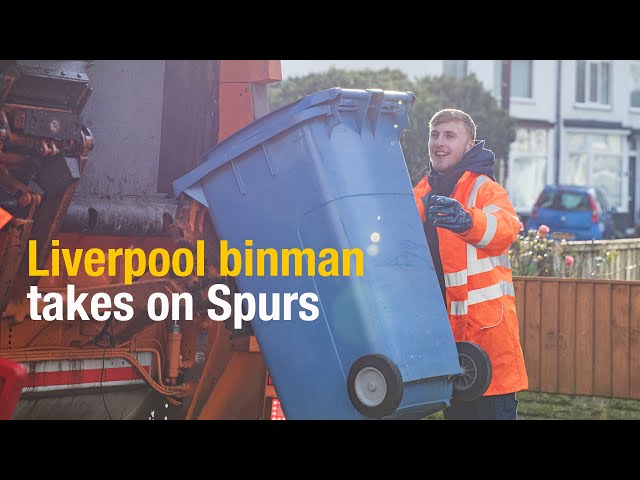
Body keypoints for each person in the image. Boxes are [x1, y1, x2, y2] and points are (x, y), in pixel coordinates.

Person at [412, 108, 528, 420]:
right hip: (453, 347)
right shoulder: (422, 191)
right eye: (435, 134)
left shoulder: (484, 188)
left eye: (450, 135)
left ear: (469, 144)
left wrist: (466, 220)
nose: (440, 142)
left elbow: (505, 229)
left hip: (488, 342)